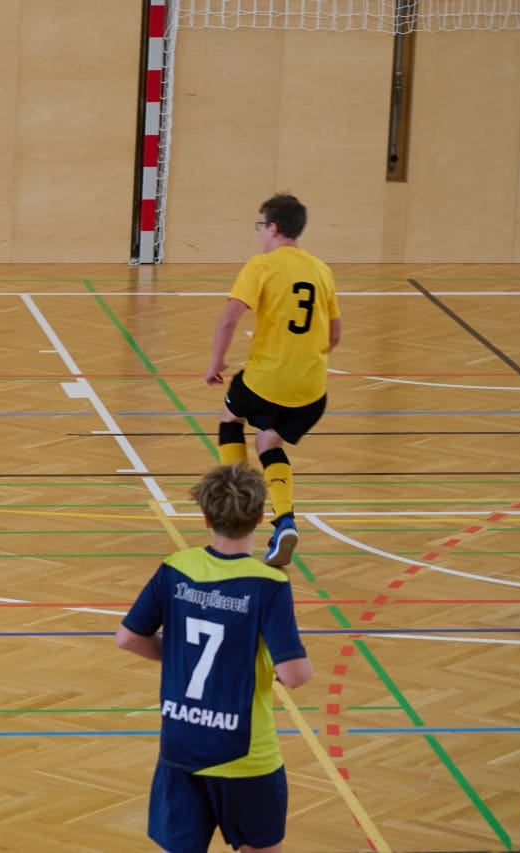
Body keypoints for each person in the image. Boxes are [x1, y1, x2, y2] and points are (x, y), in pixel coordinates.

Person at [117, 463, 314, 853]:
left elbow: (127, 638)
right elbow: (294, 675)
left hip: (181, 747)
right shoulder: (269, 583)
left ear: (206, 518)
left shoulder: (176, 568)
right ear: (260, 516)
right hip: (246, 755)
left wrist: (179, 656)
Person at [205, 193, 341, 567]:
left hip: (265, 381)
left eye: (261, 226)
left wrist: (216, 363)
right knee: (268, 441)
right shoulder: (321, 270)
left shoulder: (261, 266)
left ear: (274, 228)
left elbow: (229, 320)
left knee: (230, 418)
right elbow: (334, 336)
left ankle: (235, 505)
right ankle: (284, 522)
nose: (260, 233)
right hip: (312, 391)